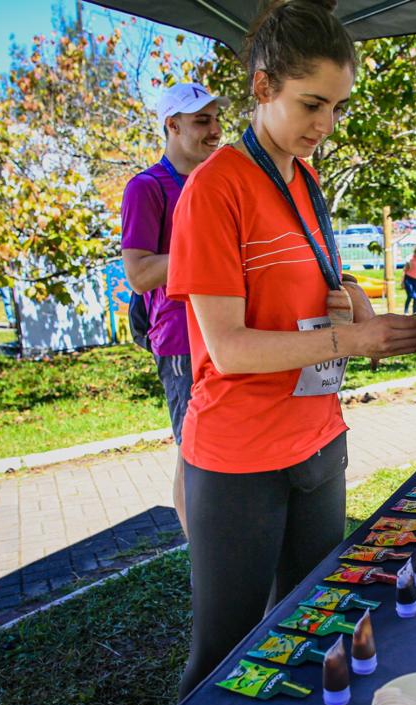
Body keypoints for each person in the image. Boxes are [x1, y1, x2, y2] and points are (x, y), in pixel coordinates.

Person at [167, 0, 416, 699]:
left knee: (313, 625)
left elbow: (319, 282)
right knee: (223, 652)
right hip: (240, 457)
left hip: (318, 440)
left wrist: (358, 305)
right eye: (313, 104)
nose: (326, 126)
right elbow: (226, 348)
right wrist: (353, 337)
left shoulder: (307, 181)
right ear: (262, 88)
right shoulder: (213, 188)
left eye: (338, 108)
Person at [121, 82, 228, 539]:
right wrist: (212, 253)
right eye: (202, 121)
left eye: (216, 119)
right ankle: (200, 557)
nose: (215, 131)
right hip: (183, 341)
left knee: (222, 447)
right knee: (193, 451)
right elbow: (140, 274)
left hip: (226, 334)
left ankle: (223, 543)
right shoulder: (147, 187)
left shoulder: (217, 183)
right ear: (173, 125)